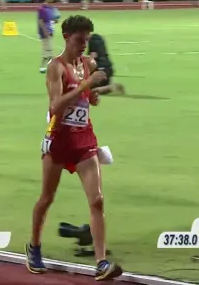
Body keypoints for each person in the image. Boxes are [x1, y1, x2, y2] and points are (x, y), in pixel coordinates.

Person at [25, 15, 123, 281]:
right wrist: (85, 86)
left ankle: (101, 262)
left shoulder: (88, 64)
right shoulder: (56, 67)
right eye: (79, 40)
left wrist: (96, 93)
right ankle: (33, 247)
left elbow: (89, 100)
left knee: (97, 199)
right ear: (66, 37)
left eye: (87, 40)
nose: (83, 45)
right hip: (59, 140)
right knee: (46, 198)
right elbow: (55, 106)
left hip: (83, 139)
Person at [37, 0, 58, 73]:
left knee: (47, 51)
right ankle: (47, 67)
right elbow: (40, 21)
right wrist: (45, 31)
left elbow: (52, 19)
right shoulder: (42, 9)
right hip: (44, 32)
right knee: (48, 50)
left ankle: (43, 67)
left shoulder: (51, 8)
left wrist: (55, 20)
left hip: (50, 31)